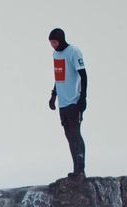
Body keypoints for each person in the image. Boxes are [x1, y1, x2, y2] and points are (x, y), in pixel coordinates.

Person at [48, 28, 88, 179]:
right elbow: (59, 76)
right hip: (63, 103)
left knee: (75, 134)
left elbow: (83, 76)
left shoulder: (73, 52)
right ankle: (75, 169)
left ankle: (81, 169)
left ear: (61, 39)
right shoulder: (55, 54)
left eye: (54, 42)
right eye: (51, 43)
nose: (52, 45)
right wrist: (53, 95)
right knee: (69, 135)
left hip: (74, 101)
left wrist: (83, 98)